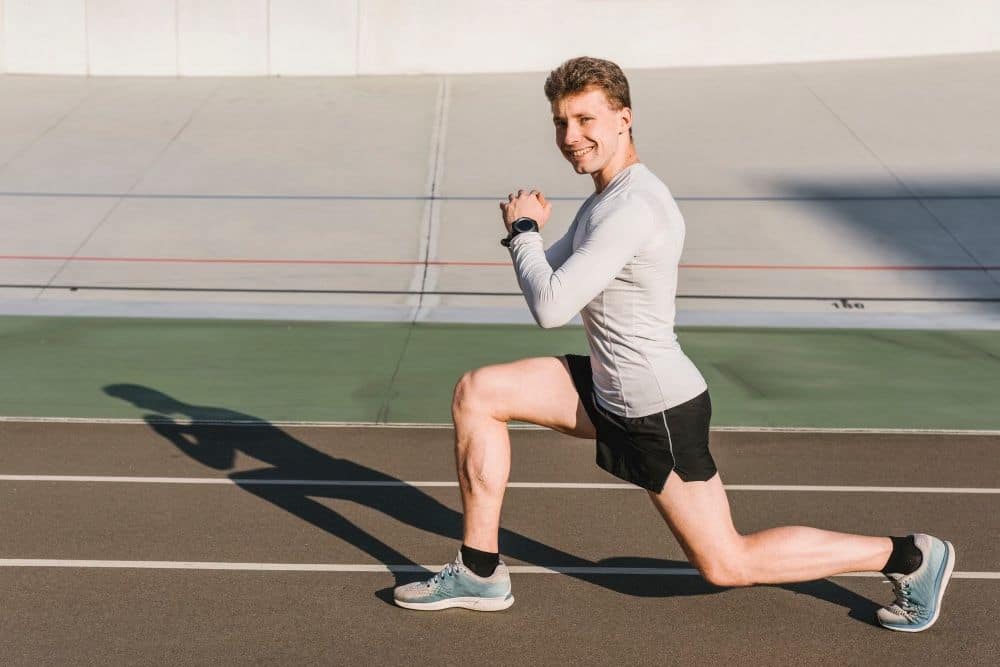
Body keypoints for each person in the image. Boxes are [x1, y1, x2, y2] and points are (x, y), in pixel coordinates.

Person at [393, 56, 954, 631]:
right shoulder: (604, 201)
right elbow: (548, 271)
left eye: (585, 119)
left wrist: (526, 233)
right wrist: (524, 238)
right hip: (608, 386)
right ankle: (480, 572)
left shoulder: (633, 207)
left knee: (727, 561)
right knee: (480, 393)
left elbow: (550, 305)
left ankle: (909, 557)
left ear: (624, 118)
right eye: (561, 122)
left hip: (653, 408)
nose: (570, 137)